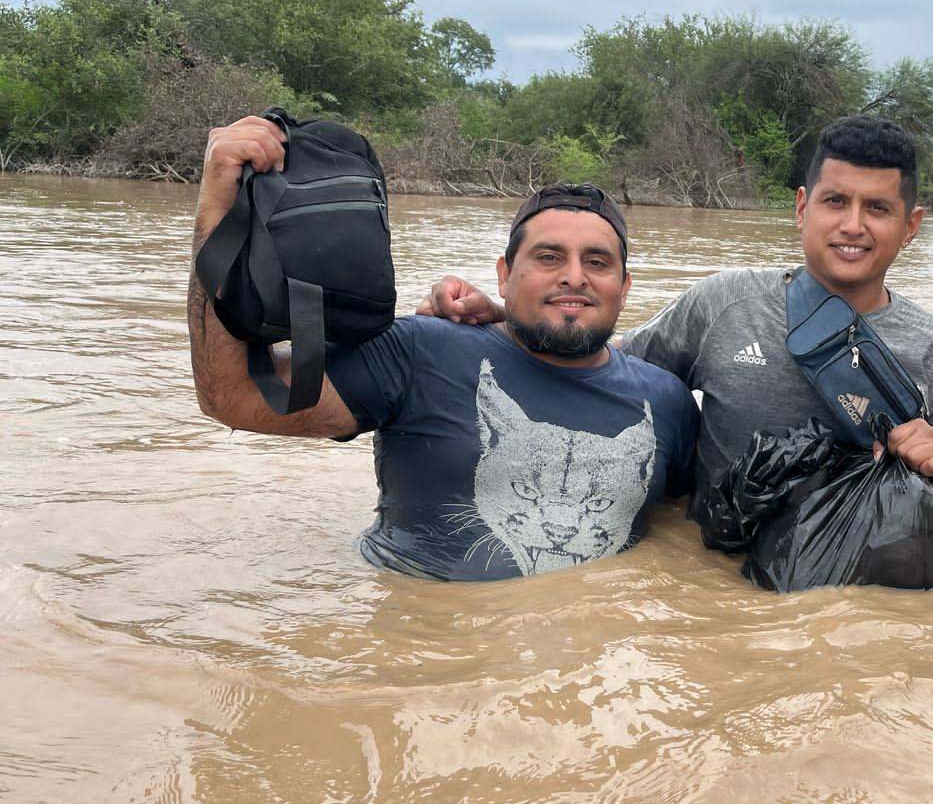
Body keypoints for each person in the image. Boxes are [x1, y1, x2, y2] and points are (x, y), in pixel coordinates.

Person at [187, 115, 699, 581]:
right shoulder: (418, 350)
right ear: (504, 274)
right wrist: (217, 210)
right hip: (427, 656)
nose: (573, 277)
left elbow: (679, 535)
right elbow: (232, 399)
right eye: (549, 257)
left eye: (597, 262)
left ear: (624, 286)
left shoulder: (666, 400)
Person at [422, 114, 933, 531]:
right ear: (803, 208)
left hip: (850, 580)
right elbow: (595, 367)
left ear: (911, 225)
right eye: (835, 201)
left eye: (877, 208)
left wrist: (932, 473)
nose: (852, 225)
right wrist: (506, 318)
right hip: (716, 575)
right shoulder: (723, 302)